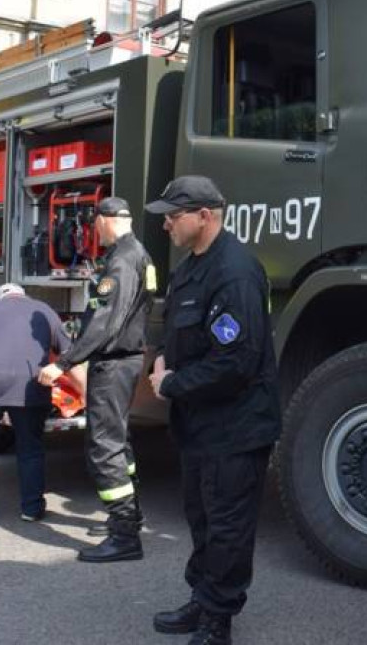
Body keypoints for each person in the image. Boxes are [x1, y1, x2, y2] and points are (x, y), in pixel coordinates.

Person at [146, 176, 281, 645]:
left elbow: (236, 362)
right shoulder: (189, 269)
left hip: (236, 427)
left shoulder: (235, 272)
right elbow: (177, 333)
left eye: (173, 215)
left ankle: (217, 621)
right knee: (202, 519)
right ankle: (202, 599)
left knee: (228, 527)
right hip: (199, 426)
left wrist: (172, 383)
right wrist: (161, 360)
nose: (166, 224)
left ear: (204, 216)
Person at [38, 196, 156, 562]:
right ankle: (130, 517)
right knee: (118, 442)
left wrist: (65, 362)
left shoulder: (121, 260)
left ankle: (124, 536)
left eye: (95, 225)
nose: (95, 233)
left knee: (104, 446)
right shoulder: (138, 254)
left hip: (113, 363)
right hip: (126, 361)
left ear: (105, 220)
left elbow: (105, 320)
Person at [0, 283, 73, 523]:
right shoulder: (44, 309)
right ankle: (31, 509)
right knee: (30, 449)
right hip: (30, 383)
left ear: (0, 298)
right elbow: (67, 352)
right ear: (23, 296)